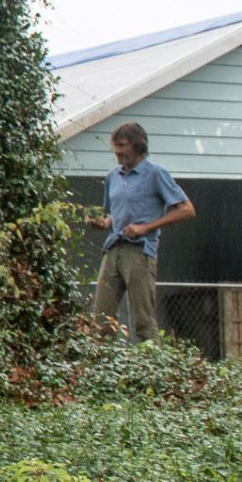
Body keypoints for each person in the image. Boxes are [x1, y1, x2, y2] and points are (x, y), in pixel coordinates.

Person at [86, 122, 194, 341]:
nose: (117, 151)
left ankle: (152, 369)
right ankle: (98, 370)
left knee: (143, 320)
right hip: (113, 250)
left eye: (122, 145)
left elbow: (187, 210)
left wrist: (146, 227)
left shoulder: (155, 174)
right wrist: (104, 224)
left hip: (140, 252)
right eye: (115, 146)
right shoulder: (112, 177)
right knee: (100, 319)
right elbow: (114, 214)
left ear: (138, 145)